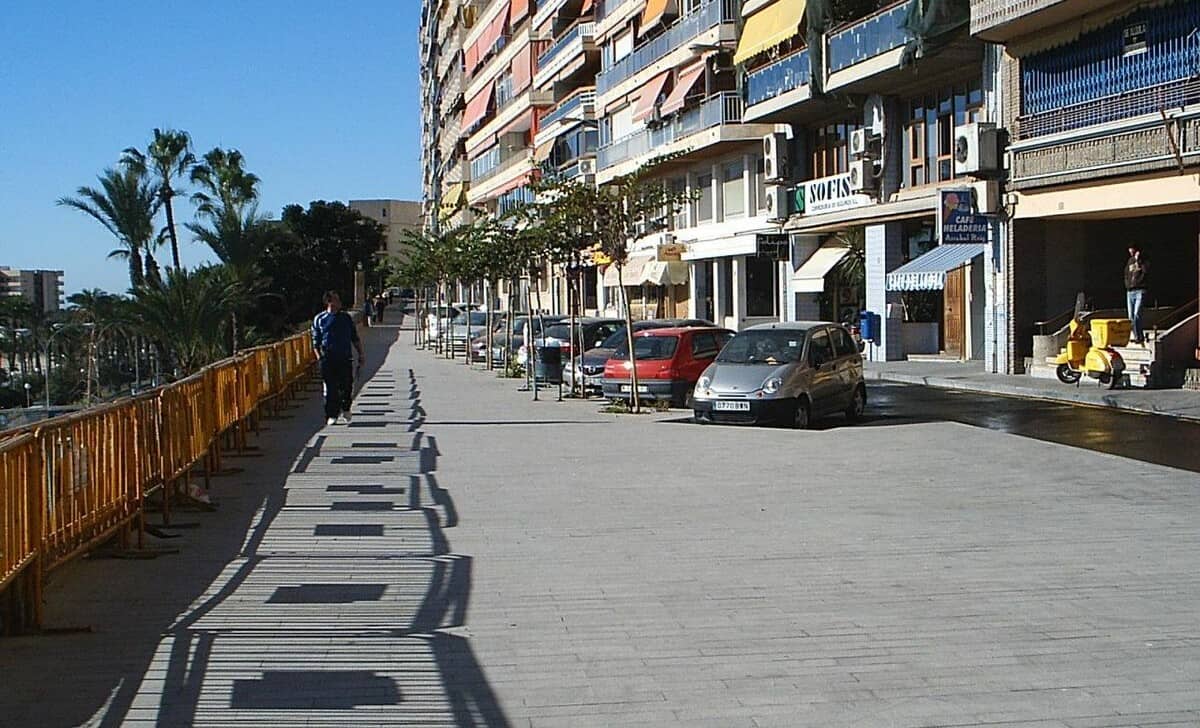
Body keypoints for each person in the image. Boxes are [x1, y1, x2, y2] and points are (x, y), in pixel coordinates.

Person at [312, 291, 365, 425]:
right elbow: (315, 342)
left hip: (345, 357)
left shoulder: (346, 318)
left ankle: (346, 407)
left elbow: (354, 337)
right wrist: (320, 358)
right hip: (328, 359)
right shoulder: (320, 319)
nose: (339, 302)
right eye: (336, 299)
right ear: (329, 302)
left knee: (347, 385)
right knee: (330, 388)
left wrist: (361, 354)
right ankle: (331, 414)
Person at [1124, 246, 1149, 345]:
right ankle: (1137, 336)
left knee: (1136, 314)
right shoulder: (1130, 261)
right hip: (1130, 291)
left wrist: (1139, 261)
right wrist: (1127, 284)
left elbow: (1146, 271)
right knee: (1130, 316)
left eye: (1132, 249)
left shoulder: (1144, 261)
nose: (1130, 251)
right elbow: (1126, 273)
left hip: (1140, 290)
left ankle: (1139, 336)